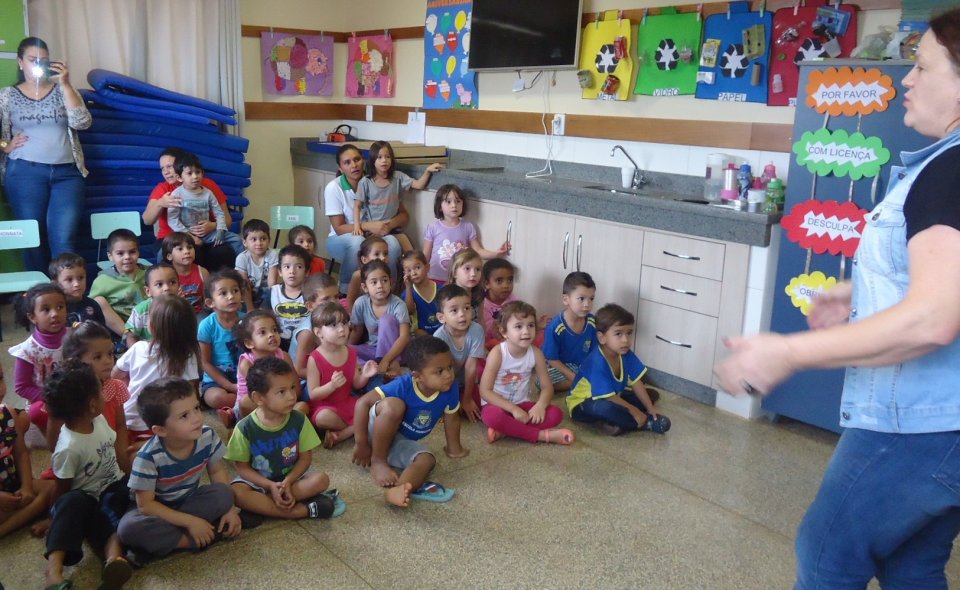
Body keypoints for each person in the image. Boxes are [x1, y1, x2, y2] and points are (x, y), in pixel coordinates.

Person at [714, 11, 960, 586]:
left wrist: (787, 353)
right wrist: (862, 290)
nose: (907, 78)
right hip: (944, 430)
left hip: (918, 428)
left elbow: (934, 319)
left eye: (922, 66)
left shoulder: (950, 172)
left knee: (827, 552)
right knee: (912, 564)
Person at [117, 378, 241, 564]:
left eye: (197, 408)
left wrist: (228, 509)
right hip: (156, 511)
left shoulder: (207, 435)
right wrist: (190, 522)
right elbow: (146, 506)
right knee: (128, 529)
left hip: (188, 502)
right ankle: (193, 540)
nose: (197, 418)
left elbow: (217, 473)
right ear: (161, 430)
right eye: (184, 416)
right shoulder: (148, 457)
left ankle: (157, 547)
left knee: (224, 493)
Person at [0, 37, 91, 272]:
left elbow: (82, 123)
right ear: (20, 62)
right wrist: (5, 145)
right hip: (24, 174)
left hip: (67, 174)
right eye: (32, 60)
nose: (38, 65)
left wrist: (66, 84)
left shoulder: (62, 90)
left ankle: (68, 297)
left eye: (43, 60)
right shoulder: (7, 95)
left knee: (64, 239)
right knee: (32, 238)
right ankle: (39, 298)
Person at [42, 360, 132, 590]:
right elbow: (62, 488)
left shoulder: (99, 419)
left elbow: (113, 447)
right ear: (93, 404)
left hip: (112, 485)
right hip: (84, 498)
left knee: (114, 508)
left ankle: (113, 563)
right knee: (71, 503)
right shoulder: (69, 447)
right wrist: (53, 517)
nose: (105, 396)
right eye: (101, 392)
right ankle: (54, 572)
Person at [352, 336, 469, 507]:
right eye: (439, 371)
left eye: (450, 367)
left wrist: (454, 449)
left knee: (427, 459)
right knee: (394, 405)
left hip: (397, 439)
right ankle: (378, 461)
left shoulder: (449, 388)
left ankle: (398, 490)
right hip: (375, 428)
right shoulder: (403, 385)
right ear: (418, 376)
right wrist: (361, 443)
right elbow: (362, 403)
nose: (448, 375)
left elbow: (452, 418)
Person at [226, 357, 344, 520]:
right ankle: (302, 511)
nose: (291, 396)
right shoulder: (244, 428)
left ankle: (263, 507)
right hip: (258, 483)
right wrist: (269, 485)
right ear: (259, 398)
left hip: (292, 479)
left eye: (293, 388)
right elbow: (243, 469)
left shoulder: (299, 420)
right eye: (282, 392)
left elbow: (305, 458)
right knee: (236, 493)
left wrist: (288, 481)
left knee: (321, 480)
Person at [479, 300, 573, 445]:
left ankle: (506, 430)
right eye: (518, 326)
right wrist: (513, 409)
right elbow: (485, 391)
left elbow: (547, 387)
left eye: (531, 325)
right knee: (494, 418)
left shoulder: (536, 353)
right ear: (504, 332)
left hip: (522, 404)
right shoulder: (498, 353)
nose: (526, 331)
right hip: (497, 406)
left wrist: (540, 406)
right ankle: (542, 436)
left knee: (556, 414)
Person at [568, 304, 669, 436]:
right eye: (618, 334)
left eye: (629, 333)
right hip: (582, 404)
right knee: (607, 408)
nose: (625, 340)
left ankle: (612, 423)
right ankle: (645, 424)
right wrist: (635, 411)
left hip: (612, 395)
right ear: (602, 337)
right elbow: (609, 397)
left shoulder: (626, 354)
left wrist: (651, 408)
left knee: (650, 395)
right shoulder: (596, 361)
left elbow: (636, 382)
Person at [113, 295, 200, 445]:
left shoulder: (138, 348)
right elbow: (190, 392)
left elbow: (114, 376)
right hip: (166, 427)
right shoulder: (188, 356)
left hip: (129, 420)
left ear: (151, 327)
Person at [325, 144, 407, 294]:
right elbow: (339, 227)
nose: (354, 165)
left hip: (374, 235)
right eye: (347, 162)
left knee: (393, 244)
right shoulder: (333, 188)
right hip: (340, 238)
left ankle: (392, 290)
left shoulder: (375, 180)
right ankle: (345, 290)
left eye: (357, 159)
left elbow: (403, 215)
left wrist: (387, 226)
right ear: (340, 168)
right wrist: (369, 226)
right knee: (357, 242)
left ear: (364, 161)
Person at [46, 322, 130, 466]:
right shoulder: (68, 395)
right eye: (97, 357)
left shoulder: (116, 387)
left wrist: (122, 455)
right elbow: (54, 442)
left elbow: (121, 425)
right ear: (75, 361)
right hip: (79, 460)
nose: (108, 361)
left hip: (109, 454)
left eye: (110, 354)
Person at [142, 147, 235, 271]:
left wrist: (213, 226)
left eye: (169, 166)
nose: (166, 172)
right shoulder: (163, 189)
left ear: (181, 164)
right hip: (172, 237)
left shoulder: (207, 186)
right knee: (190, 252)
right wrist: (160, 203)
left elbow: (226, 218)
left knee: (223, 251)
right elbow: (147, 220)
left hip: (207, 235)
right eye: (162, 168)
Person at [307, 301, 379, 448]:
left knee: (374, 408)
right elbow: (313, 394)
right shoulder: (314, 358)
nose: (342, 329)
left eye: (345, 323)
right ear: (318, 332)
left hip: (347, 402)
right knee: (322, 418)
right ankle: (354, 429)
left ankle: (343, 433)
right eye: (334, 325)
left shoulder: (351, 352)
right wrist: (331, 386)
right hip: (325, 407)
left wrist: (365, 374)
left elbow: (356, 384)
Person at [352, 140, 442, 254]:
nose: (384, 160)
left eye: (387, 156)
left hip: (392, 229)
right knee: (384, 251)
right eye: (379, 157)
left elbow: (419, 185)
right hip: (373, 231)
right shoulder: (365, 182)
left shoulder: (397, 177)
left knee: (411, 253)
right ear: (372, 160)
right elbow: (357, 206)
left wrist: (427, 171)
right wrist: (357, 227)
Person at [0, 363, 53, 539]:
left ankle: (6, 527)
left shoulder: (8, 413)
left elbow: (21, 453)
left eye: (0, 378)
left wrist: (27, 487)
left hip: (12, 483)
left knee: (54, 488)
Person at [422, 184, 510, 283]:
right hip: (434, 278)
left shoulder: (468, 227)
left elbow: (478, 250)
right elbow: (425, 255)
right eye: (448, 202)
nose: (454, 205)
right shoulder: (432, 228)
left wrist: (496, 254)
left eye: (458, 201)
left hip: (458, 280)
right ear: (439, 206)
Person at [8, 283, 67, 430]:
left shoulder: (75, 337)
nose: (55, 314)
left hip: (73, 393)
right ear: (32, 317)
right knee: (36, 412)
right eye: (46, 310)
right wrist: (50, 398)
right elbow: (22, 387)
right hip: (46, 399)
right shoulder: (28, 350)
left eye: (60, 307)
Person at [166, 152, 243, 256]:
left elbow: (219, 213)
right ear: (179, 177)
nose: (195, 177)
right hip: (186, 235)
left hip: (209, 234)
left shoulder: (208, 193)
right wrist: (190, 237)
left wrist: (220, 229)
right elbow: (172, 220)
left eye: (198, 172)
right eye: (189, 173)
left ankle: (243, 267)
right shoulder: (177, 194)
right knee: (166, 251)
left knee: (237, 240)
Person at [230, 310, 295, 425]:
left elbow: (295, 384)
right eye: (263, 332)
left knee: (303, 406)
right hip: (257, 402)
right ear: (249, 343)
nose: (271, 334)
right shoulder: (247, 363)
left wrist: (291, 398)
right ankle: (245, 426)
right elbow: (260, 393)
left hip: (282, 398)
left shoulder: (283, 356)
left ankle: (280, 422)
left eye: (274, 330)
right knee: (245, 402)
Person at [432, 284, 485, 422]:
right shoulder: (439, 337)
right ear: (441, 317)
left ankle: (462, 397)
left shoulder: (476, 330)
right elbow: (440, 373)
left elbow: (471, 367)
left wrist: (467, 399)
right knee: (442, 407)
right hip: (446, 380)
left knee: (481, 407)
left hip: (467, 380)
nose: (462, 314)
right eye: (454, 310)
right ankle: (455, 398)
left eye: (466, 308)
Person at [349, 259, 411, 375]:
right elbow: (357, 332)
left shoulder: (398, 305)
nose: (380, 286)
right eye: (374, 282)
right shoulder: (360, 303)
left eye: (384, 280)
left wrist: (387, 359)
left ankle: (390, 367)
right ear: (365, 287)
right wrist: (344, 347)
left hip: (397, 352)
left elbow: (404, 337)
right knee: (346, 351)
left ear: (391, 283)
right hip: (373, 350)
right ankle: (373, 370)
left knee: (386, 320)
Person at [198, 270, 245, 412]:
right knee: (217, 398)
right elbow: (205, 363)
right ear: (210, 302)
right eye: (223, 293)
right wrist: (229, 386)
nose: (231, 296)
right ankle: (244, 405)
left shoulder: (248, 320)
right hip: (216, 381)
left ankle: (236, 410)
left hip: (245, 377)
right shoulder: (207, 326)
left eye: (235, 290)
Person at [542, 272, 598, 392]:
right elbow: (551, 359)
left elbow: (595, 353)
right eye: (581, 299)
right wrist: (571, 376)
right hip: (561, 367)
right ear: (566, 299)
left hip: (583, 366)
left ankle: (584, 382)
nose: (587, 304)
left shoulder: (592, 322)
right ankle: (581, 382)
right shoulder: (555, 327)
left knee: (604, 369)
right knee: (542, 381)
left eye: (591, 299)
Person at [89, 229, 146, 339]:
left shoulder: (148, 273)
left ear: (138, 252)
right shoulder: (103, 280)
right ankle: (129, 337)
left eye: (132, 252)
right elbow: (90, 305)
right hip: (121, 326)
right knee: (98, 301)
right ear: (110, 256)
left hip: (149, 320)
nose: (127, 257)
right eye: (120, 253)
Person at [289, 273, 340, 377]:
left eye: (336, 297)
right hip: (304, 380)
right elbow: (298, 370)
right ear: (310, 306)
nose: (334, 303)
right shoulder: (307, 334)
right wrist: (329, 373)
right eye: (326, 299)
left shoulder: (332, 321)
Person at [264, 244, 310, 351]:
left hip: (305, 342)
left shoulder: (311, 293)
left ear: (306, 272)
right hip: (279, 341)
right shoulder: (274, 292)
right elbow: (263, 315)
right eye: (287, 267)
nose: (292, 271)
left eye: (298, 267)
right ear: (280, 271)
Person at [124, 262, 180, 346]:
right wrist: (136, 354)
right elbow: (131, 336)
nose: (167, 288)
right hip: (147, 352)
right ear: (148, 291)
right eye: (159, 284)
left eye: (172, 282)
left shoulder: (182, 307)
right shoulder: (141, 311)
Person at [49, 253, 107, 328]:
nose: (77, 284)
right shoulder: (55, 310)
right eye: (69, 280)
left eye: (81, 277)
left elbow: (102, 332)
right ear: (56, 284)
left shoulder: (93, 305)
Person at [234, 218, 278, 311]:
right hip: (247, 295)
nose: (259, 243)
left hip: (267, 295)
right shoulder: (242, 258)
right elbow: (244, 285)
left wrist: (265, 307)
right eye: (253, 239)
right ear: (245, 242)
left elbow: (272, 283)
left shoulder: (272, 255)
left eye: (263, 239)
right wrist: (250, 308)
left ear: (269, 240)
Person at [161, 232, 208, 315]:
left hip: (199, 312)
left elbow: (208, 297)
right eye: (180, 249)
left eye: (190, 247)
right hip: (175, 312)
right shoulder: (166, 275)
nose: (187, 251)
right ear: (169, 256)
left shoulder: (202, 272)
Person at [402, 250, 441, 336]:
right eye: (409, 270)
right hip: (422, 334)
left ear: (427, 267)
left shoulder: (441, 289)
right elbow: (409, 311)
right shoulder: (408, 293)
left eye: (417, 267)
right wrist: (408, 288)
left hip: (442, 330)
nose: (413, 273)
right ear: (405, 274)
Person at [345, 235, 391, 307]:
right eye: (377, 254)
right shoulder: (357, 276)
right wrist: (354, 317)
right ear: (364, 260)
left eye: (385, 253)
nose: (383, 258)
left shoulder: (387, 274)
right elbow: (350, 301)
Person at [448, 248, 484, 321]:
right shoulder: (448, 296)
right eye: (467, 268)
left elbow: (481, 319)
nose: (473, 274)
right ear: (454, 272)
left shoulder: (479, 293)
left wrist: (482, 332)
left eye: (477, 269)